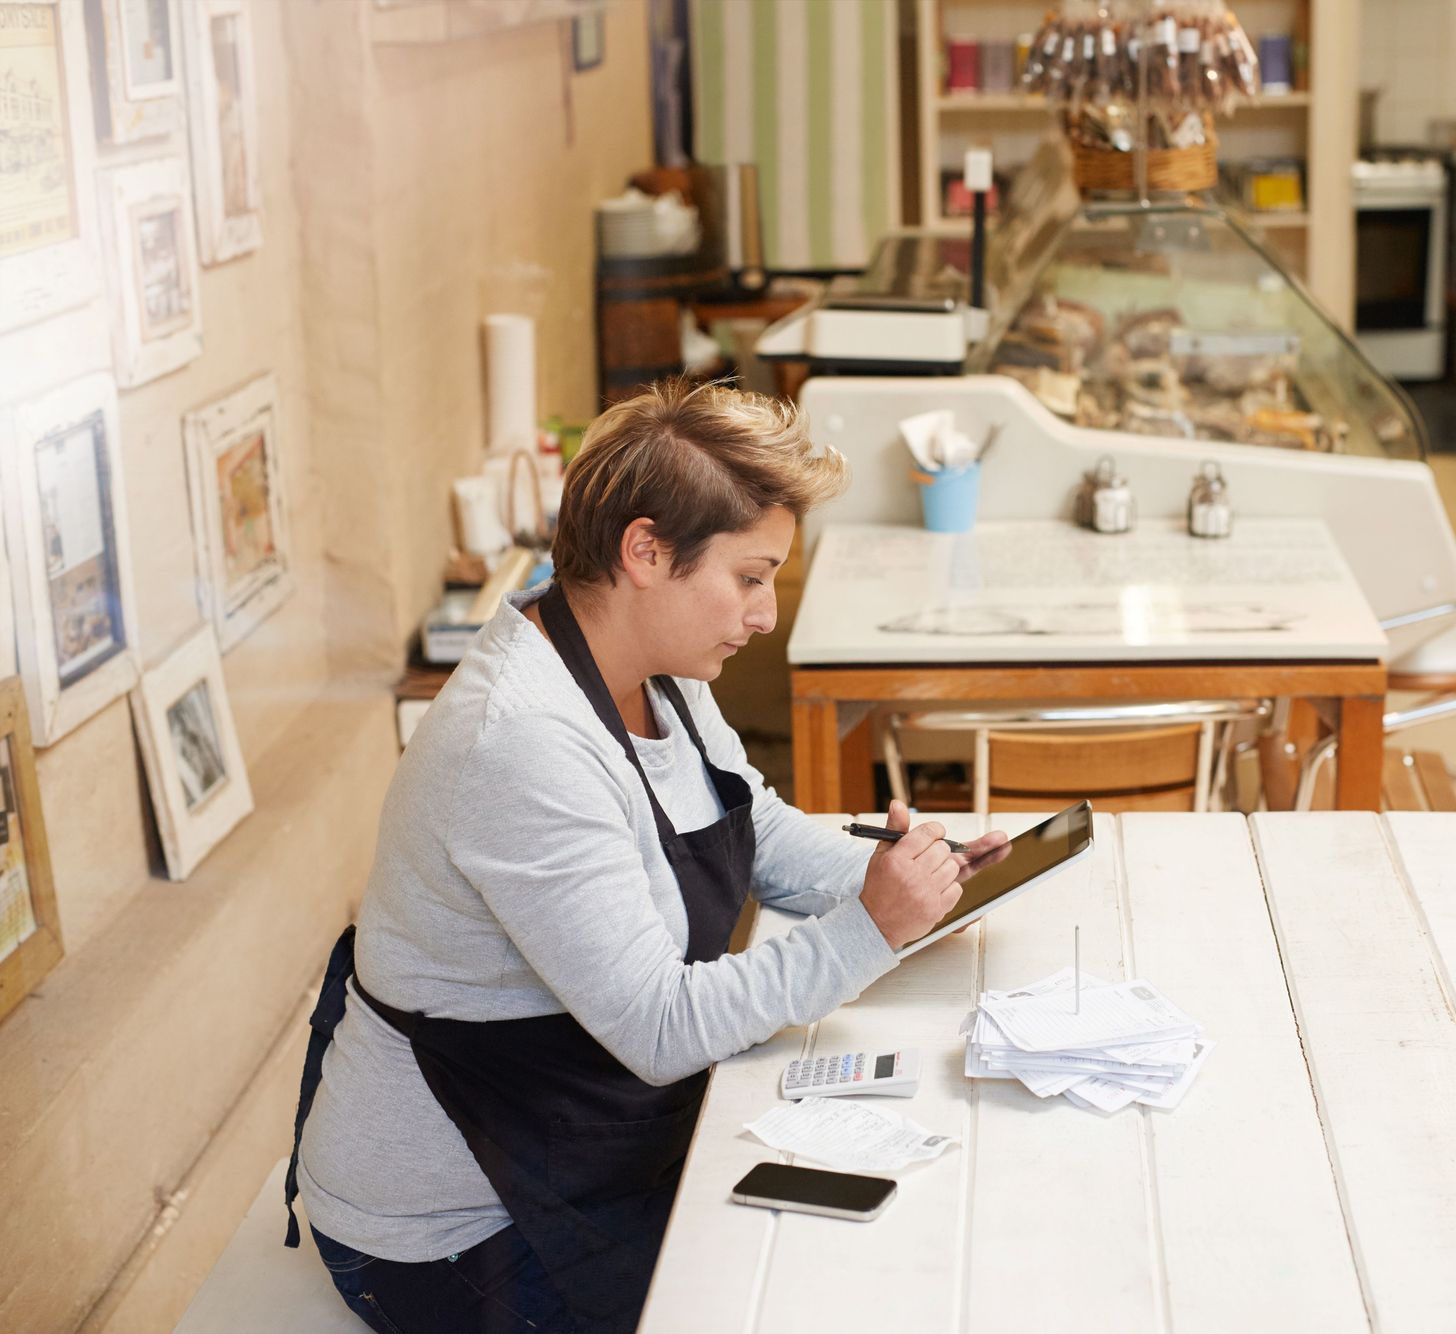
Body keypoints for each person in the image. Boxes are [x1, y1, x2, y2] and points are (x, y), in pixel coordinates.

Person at [282, 379, 1007, 1334]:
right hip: (455, 1230)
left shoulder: (648, 665)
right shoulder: (521, 741)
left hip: (583, 1148)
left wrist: (924, 876)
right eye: (749, 578)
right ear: (645, 551)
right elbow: (660, 1027)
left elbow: (758, 831)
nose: (761, 614)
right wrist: (871, 929)